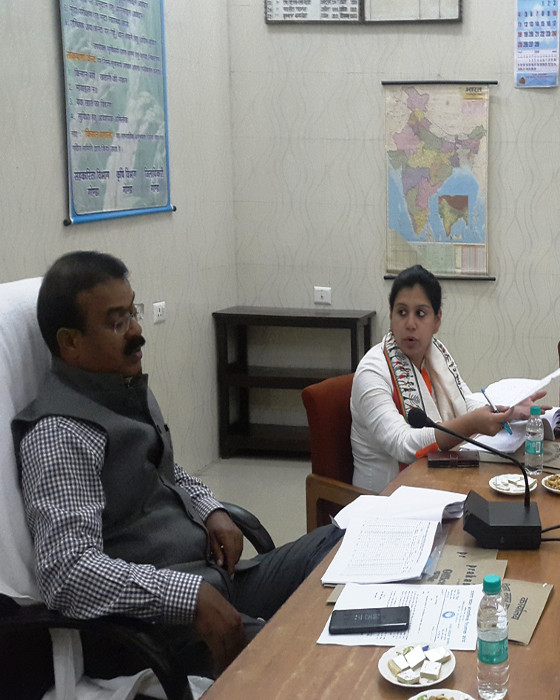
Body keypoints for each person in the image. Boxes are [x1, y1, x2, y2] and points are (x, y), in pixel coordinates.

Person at [13, 251, 343, 679]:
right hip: (157, 630)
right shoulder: (60, 433)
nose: (137, 331)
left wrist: (211, 509)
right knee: (308, 664)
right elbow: (68, 573)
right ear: (70, 343)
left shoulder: (122, 387)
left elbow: (166, 472)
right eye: (117, 322)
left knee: (340, 543)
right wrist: (188, 596)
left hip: (214, 581)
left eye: (133, 312)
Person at [351, 264, 544, 492]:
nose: (410, 324)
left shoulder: (435, 354)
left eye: (420, 314)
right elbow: (402, 443)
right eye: (401, 312)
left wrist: (506, 410)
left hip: (435, 481)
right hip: (384, 497)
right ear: (391, 317)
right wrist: (471, 424)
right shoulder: (372, 372)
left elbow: (465, 402)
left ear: (437, 320)